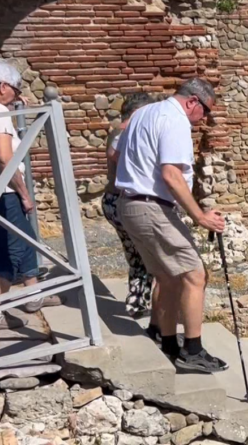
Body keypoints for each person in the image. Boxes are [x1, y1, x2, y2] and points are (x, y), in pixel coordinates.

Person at [115, 78, 227, 372]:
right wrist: (200, 216)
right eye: (205, 112)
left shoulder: (143, 113)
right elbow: (171, 175)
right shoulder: (175, 119)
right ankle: (193, 351)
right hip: (152, 207)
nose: (204, 120)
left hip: (131, 204)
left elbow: (118, 156)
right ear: (192, 102)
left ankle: (168, 344)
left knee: (169, 278)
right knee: (194, 275)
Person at [0, 59, 61, 332]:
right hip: (1, 191)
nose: (18, 95)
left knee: (25, 241)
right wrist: (24, 193)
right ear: (3, 86)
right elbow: (5, 159)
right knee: (12, 252)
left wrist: (14, 111)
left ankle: (33, 296)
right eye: (16, 89)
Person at [103, 92, 156, 319]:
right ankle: (137, 303)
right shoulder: (123, 134)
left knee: (138, 255)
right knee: (144, 255)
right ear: (137, 112)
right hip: (121, 201)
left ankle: (139, 301)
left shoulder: (119, 132)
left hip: (115, 201)